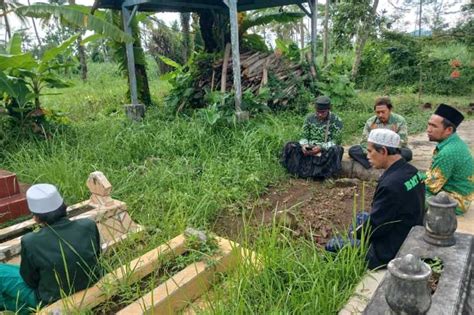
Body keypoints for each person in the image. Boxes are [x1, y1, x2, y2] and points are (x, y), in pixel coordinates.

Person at [327, 129, 424, 269]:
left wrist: (354, 235)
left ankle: (350, 263)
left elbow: (377, 226)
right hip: (409, 233)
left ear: (383, 151)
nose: (367, 156)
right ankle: (354, 243)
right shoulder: (413, 172)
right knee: (361, 217)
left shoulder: (391, 185)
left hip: (390, 250)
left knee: (333, 244)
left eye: (370, 151)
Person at [0, 184, 102, 313]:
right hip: (90, 281)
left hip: (51, 298)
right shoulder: (88, 225)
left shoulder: (30, 241)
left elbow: (30, 281)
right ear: (64, 206)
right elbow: (97, 255)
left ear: (36, 217)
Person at [424, 104, 474, 215]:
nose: (428, 130)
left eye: (433, 126)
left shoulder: (448, 152)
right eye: (428, 125)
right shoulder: (454, 143)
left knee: (408, 195)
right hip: (462, 195)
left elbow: (430, 186)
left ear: (448, 130)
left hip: (455, 202)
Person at [281, 96, 344, 179]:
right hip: (309, 148)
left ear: (329, 109)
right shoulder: (309, 118)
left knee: (337, 149)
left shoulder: (336, 121)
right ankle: (296, 172)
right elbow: (303, 135)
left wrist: (321, 147)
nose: (320, 114)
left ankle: (323, 174)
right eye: (318, 112)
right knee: (289, 145)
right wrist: (304, 145)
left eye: (323, 112)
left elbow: (336, 141)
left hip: (324, 150)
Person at [349, 96, 412, 169]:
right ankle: (374, 164)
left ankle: (375, 162)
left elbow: (402, 141)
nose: (380, 115)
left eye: (383, 112)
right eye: (378, 112)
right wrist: (375, 151)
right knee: (353, 150)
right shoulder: (371, 122)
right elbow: (364, 141)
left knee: (407, 153)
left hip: (391, 151)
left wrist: (384, 151)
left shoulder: (400, 121)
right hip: (374, 151)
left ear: (390, 110)